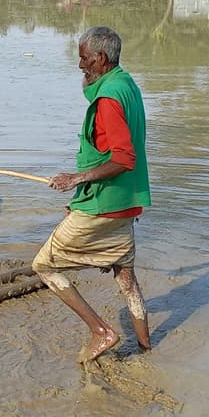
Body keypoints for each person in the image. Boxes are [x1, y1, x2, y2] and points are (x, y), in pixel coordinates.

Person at [32, 25, 152, 364]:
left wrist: (75, 179)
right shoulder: (126, 84)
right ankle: (146, 349)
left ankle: (101, 331)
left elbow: (123, 157)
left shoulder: (108, 101)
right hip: (127, 203)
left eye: (84, 58)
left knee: (44, 266)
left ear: (100, 58)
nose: (80, 65)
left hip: (103, 205)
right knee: (126, 277)